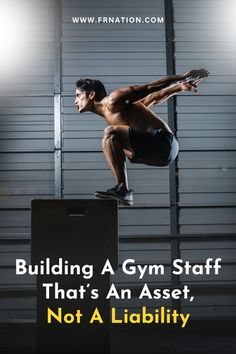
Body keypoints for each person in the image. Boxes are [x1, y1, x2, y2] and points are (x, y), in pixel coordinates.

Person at [74, 69, 209, 206]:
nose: (75, 101)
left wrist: (183, 78)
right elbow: (152, 98)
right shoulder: (121, 111)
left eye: (78, 95)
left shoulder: (114, 100)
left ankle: (123, 190)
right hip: (161, 155)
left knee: (110, 133)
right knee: (114, 145)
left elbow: (150, 88)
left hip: (164, 142)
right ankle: (123, 190)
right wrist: (179, 88)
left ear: (91, 94)